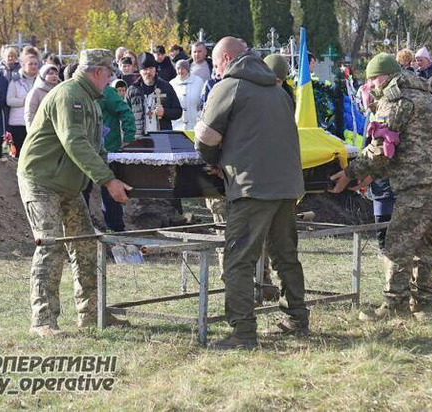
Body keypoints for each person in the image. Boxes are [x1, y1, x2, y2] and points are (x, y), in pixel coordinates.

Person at [194, 37, 309, 348]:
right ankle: (297, 318)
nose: (215, 70)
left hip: (250, 186)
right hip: (286, 187)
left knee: (238, 260)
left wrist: (216, 162)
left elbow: (204, 138)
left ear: (227, 58)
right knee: (285, 255)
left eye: (216, 64)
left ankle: (243, 332)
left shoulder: (229, 86)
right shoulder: (278, 89)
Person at [330, 53, 432, 321]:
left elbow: (381, 147)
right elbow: (405, 146)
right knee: (426, 243)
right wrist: (371, 176)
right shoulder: (420, 93)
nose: (371, 86)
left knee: (399, 243)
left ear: (385, 76)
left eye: (373, 79)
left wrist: (351, 173)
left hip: (419, 181)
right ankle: (423, 304)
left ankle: (394, 305)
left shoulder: (395, 97)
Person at [17, 49, 132, 337]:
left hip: (69, 185)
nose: (110, 80)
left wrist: (124, 170)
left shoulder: (91, 100)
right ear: (97, 72)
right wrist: (108, 181)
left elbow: (96, 148)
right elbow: (75, 142)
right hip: (42, 181)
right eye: (108, 74)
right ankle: (43, 320)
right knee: (51, 245)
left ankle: (92, 314)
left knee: (85, 246)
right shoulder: (69, 96)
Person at [82, 76, 137, 233]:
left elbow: (126, 112)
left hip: (108, 150)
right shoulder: (80, 93)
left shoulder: (107, 92)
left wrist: (128, 138)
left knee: (110, 189)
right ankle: (85, 228)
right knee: (83, 189)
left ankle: (116, 229)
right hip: (86, 151)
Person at [127, 53, 182, 136]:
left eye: (151, 68)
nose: (148, 72)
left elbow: (178, 112)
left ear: (155, 69)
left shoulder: (166, 87)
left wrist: (164, 112)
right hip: (140, 138)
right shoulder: (132, 90)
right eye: (145, 69)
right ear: (140, 71)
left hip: (162, 137)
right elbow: (126, 115)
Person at [6, 53, 39, 154]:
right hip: (18, 123)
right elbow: (9, 100)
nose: (33, 66)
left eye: (35, 64)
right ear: (23, 65)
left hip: (35, 122)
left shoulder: (40, 81)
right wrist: (26, 101)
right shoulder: (16, 81)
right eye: (30, 64)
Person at [169, 59, 205, 131]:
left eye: (183, 68)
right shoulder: (172, 84)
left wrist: (199, 116)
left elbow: (203, 102)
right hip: (177, 126)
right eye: (178, 68)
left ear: (188, 69)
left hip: (195, 124)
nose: (180, 71)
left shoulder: (198, 81)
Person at [25, 63, 61, 129]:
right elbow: (30, 113)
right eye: (51, 73)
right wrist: (31, 131)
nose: (54, 76)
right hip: (41, 129)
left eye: (56, 74)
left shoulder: (60, 90)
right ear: (43, 76)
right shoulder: (36, 92)